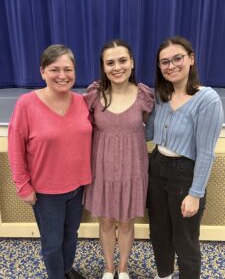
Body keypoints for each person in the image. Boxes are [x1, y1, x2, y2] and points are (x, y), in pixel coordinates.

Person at [8, 44, 92, 279]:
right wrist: (23, 186)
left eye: (68, 69)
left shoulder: (83, 102)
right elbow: (15, 149)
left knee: (71, 235)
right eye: (55, 69)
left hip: (78, 187)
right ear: (42, 71)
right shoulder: (26, 104)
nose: (62, 76)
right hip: (46, 192)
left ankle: (66, 270)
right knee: (52, 242)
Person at [145, 36, 224, 279]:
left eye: (177, 58)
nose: (171, 65)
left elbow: (206, 153)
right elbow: (148, 132)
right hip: (156, 167)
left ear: (191, 59)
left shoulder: (207, 99)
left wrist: (195, 193)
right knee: (159, 233)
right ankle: (164, 275)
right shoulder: (160, 95)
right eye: (164, 62)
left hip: (185, 174)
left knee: (185, 240)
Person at [83, 39, 154, 279]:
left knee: (125, 223)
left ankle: (122, 269)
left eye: (122, 60)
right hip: (102, 171)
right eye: (110, 62)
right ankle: (108, 268)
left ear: (132, 63)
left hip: (133, 171)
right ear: (103, 67)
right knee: (105, 222)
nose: (117, 67)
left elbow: (156, 127)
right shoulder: (94, 96)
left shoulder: (144, 96)